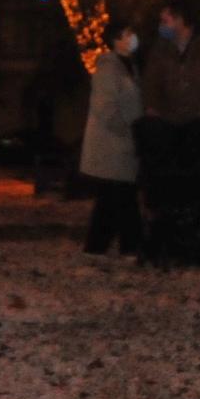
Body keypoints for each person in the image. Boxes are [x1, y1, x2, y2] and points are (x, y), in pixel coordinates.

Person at [79, 19, 145, 256]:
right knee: (119, 196)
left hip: (121, 146)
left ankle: (102, 246)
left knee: (113, 199)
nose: (133, 37)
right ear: (117, 40)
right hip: (112, 146)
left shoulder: (129, 66)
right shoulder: (109, 67)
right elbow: (105, 108)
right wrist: (128, 131)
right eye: (128, 32)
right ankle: (129, 245)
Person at [141, 0, 200, 123]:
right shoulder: (159, 49)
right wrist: (152, 108)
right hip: (170, 124)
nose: (161, 26)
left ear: (179, 20)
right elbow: (150, 82)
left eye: (165, 21)